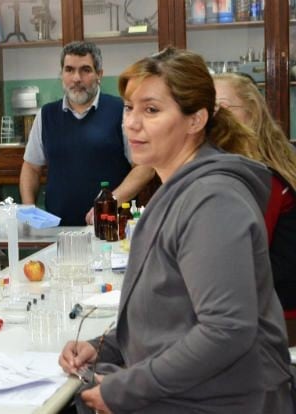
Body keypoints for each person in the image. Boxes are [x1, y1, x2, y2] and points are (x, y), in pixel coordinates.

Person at [58, 48, 293, 413]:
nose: (132, 123)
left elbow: (226, 331)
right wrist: (106, 346)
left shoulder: (213, 201)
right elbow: (170, 313)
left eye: (151, 110)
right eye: (128, 108)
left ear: (196, 120)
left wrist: (126, 388)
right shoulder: (177, 190)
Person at [19, 40, 155, 226]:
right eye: (69, 70)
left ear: (99, 74)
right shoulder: (46, 115)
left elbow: (145, 168)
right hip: (58, 232)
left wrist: (110, 203)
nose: (76, 78)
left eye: (85, 70)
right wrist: (29, 210)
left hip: (112, 229)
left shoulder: (122, 111)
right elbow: (31, 168)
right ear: (62, 74)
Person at [214, 72, 296, 312]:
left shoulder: (260, 175)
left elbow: (248, 261)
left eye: (222, 107)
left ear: (252, 114)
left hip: (277, 314)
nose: (213, 116)